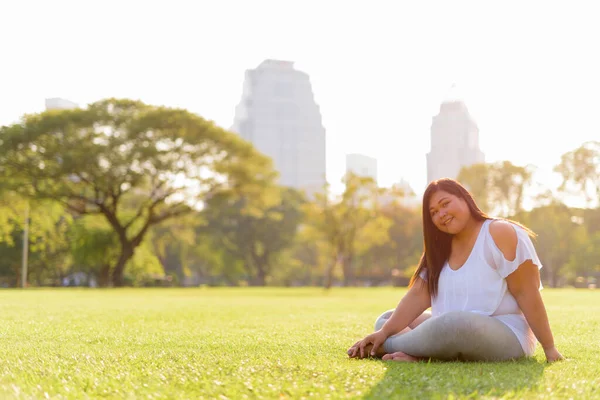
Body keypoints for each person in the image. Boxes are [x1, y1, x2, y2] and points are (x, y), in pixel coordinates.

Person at [347, 178, 564, 363]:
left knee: (456, 324)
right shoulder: (439, 248)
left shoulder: (500, 233)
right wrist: (383, 332)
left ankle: (389, 346)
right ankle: (416, 351)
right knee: (387, 319)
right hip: (447, 329)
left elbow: (527, 292)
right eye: (433, 212)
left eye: (445, 204)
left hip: (504, 333)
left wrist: (549, 348)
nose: (441, 214)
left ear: (465, 199)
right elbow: (417, 296)